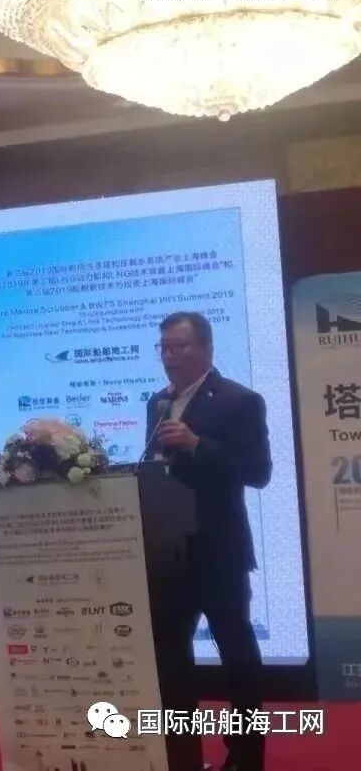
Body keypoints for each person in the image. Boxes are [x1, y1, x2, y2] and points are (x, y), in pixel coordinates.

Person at [145, 311, 270, 771]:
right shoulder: (157, 403)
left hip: (218, 551)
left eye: (179, 346)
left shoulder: (239, 400)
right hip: (168, 553)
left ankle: (246, 757)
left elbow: (258, 472)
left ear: (207, 348)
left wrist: (198, 444)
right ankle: (182, 755)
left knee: (236, 656)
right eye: (164, 347)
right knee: (170, 659)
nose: (170, 356)